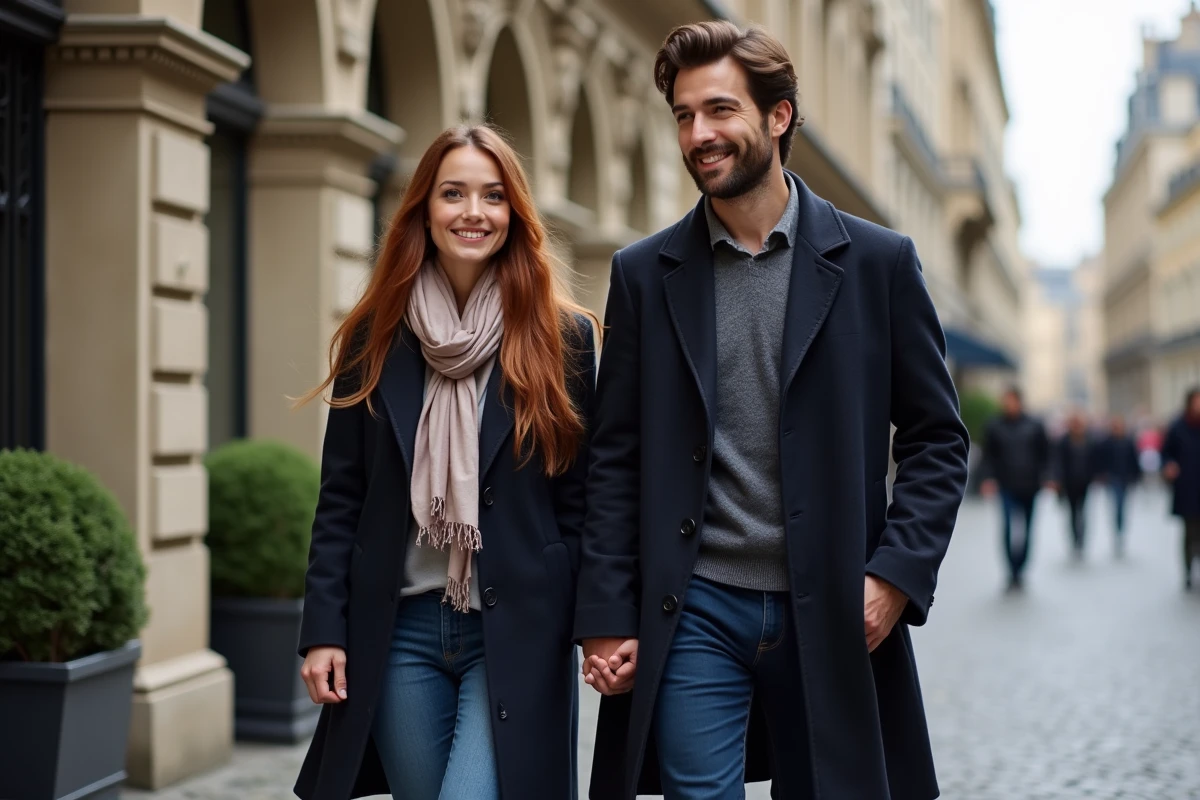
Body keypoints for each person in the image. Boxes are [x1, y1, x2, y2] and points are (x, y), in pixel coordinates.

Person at [573, 21, 969, 800]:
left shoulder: (878, 264)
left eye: (719, 110)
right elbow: (614, 456)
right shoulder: (644, 274)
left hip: (832, 606)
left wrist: (894, 575)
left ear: (778, 116)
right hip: (694, 607)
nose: (699, 134)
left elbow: (936, 439)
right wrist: (606, 609)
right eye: (684, 115)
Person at [291, 124, 596, 800]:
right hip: (397, 631)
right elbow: (341, 497)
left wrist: (578, 612)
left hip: (512, 628)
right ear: (423, 209)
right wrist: (323, 631)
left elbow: (581, 500)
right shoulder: (374, 335)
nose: (472, 212)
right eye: (452, 193)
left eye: (492, 196)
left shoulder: (561, 337)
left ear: (514, 213)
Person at [979, 387, 1051, 589]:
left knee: (1027, 530)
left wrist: (1048, 477)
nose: (1008, 404)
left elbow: (1045, 454)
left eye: (1011, 400)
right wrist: (987, 479)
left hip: (1030, 485)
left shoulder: (1035, 425)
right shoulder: (994, 426)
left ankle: (1021, 567)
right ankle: (1011, 569)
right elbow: (988, 457)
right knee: (1008, 528)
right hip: (1006, 486)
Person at [1162, 387, 1200, 590]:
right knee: (1189, 531)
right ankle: (1187, 570)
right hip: (1187, 486)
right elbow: (1166, 452)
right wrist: (1169, 465)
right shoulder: (1178, 426)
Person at [1051, 411, 1101, 559]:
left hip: (1084, 482)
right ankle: (1074, 539)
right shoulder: (1064, 441)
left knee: (1083, 511)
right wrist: (1057, 480)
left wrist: (1095, 475)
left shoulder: (1089, 440)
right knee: (1072, 512)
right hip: (1069, 483)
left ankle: (1081, 539)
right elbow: (1057, 462)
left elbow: (1094, 460)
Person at [1097, 414, 1141, 555]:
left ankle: (1120, 531)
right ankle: (1118, 531)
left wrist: (1136, 476)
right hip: (1113, 478)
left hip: (1125, 478)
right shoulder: (1107, 442)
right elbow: (1101, 460)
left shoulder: (1128, 441)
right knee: (1117, 505)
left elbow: (1134, 460)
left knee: (1123, 507)